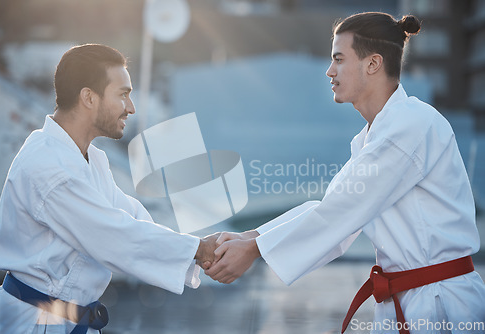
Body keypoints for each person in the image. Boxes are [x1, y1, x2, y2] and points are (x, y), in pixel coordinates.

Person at [205, 12, 485, 333]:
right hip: (410, 300)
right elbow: (332, 209)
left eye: (338, 59)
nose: (329, 71)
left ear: (373, 64)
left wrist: (254, 249)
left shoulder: (411, 126)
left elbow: (339, 215)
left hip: (441, 306)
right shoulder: (374, 135)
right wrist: (250, 237)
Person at [0, 44, 217, 334]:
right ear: (88, 97)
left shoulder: (88, 158)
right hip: (35, 323)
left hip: (64, 320)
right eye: (123, 95)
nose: (131, 108)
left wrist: (203, 247)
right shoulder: (49, 167)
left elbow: (130, 218)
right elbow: (115, 236)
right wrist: (197, 249)